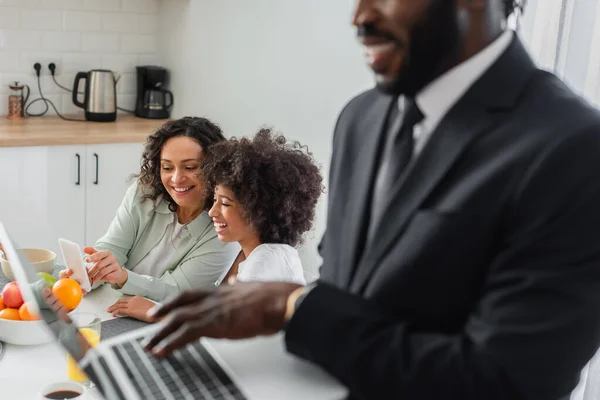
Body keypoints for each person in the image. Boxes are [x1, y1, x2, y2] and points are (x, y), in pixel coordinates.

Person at [143, 1, 600, 399]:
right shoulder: (361, 118)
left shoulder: (572, 149)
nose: (359, 16)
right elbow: (350, 293)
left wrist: (293, 306)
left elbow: (504, 384)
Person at [60, 117, 240, 321]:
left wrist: (124, 277)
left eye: (190, 167)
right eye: (167, 167)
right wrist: (90, 272)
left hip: (159, 318)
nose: (176, 178)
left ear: (214, 168)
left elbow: (178, 291)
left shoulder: (224, 228)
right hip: (113, 305)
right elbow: (114, 246)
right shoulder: (146, 191)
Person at [204, 128, 324, 286]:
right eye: (214, 199)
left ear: (259, 210)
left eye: (225, 203)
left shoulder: (265, 264)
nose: (212, 211)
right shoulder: (269, 256)